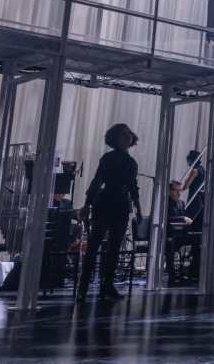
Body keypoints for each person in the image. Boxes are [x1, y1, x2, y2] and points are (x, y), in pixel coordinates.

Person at [77, 124, 143, 302]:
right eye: (123, 134)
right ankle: (83, 286)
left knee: (114, 248)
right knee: (93, 246)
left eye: (128, 133)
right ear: (115, 137)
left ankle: (108, 285)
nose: (127, 136)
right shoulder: (109, 158)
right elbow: (97, 180)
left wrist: (138, 208)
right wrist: (87, 204)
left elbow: (133, 187)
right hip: (106, 201)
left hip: (121, 204)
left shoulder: (132, 162)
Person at [165, 179, 194, 284]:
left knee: (196, 240)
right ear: (169, 190)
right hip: (167, 235)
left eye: (180, 190)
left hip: (179, 235)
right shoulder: (165, 202)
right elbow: (167, 219)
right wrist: (182, 218)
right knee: (170, 242)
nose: (178, 193)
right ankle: (172, 273)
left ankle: (192, 271)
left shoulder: (181, 203)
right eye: (175, 190)